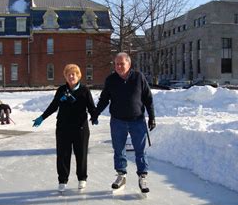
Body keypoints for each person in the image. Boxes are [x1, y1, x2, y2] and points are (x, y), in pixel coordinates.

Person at [92, 52, 155, 193]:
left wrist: (152, 117)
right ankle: (121, 175)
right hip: (117, 121)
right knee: (118, 149)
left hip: (137, 120)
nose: (119, 66)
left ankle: (142, 176)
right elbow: (104, 99)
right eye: (116, 64)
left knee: (140, 149)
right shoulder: (111, 80)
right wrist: (95, 113)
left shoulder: (139, 77)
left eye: (122, 64)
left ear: (129, 64)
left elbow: (148, 98)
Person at [32, 64, 96, 192]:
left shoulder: (84, 90)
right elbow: (53, 106)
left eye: (74, 74)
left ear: (78, 76)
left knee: (81, 154)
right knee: (62, 155)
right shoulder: (61, 90)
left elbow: (91, 107)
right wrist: (42, 117)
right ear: (65, 76)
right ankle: (62, 180)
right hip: (63, 128)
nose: (71, 76)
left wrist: (95, 116)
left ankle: (82, 178)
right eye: (69, 74)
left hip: (80, 128)